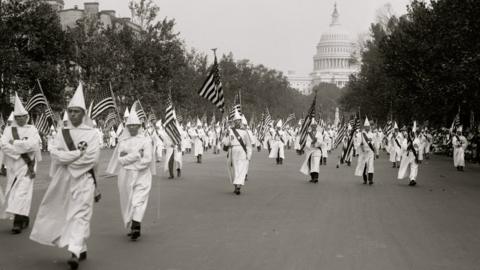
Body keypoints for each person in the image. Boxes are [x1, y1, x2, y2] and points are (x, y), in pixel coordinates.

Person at [30, 83, 101, 270]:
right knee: (67, 213)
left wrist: (67, 159)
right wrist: (76, 155)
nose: (73, 115)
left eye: (77, 111)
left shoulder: (93, 134)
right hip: (64, 180)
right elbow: (54, 153)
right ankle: (81, 245)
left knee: (81, 214)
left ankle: (75, 252)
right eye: (70, 111)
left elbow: (91, 159)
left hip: (84, 179)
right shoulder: (62, 132)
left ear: (83, 114)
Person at [106, 109, 155, 241]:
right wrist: (137, 155)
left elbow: (147, 160)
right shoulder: (123, 142)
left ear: (139, 126)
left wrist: (130, 159)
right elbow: (120, 159)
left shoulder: (146, 141)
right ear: (127, 127)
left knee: (138, 200)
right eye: (130, 125)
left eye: (135, 125)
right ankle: (132, 221)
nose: (132, 127)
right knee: (128, 201)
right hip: (125, 176)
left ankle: (136, 225)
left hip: (142, 175)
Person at [0, 93, 42, 234]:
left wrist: (16, 143)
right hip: (13, 167)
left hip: (27, 166)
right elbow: (4, 145)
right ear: (15, 118)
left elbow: (33, 144)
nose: (20, 119)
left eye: (22, 116)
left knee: (22, 193)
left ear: (26, 116)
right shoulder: (8, 130)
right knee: (13, 193)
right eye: (17, 117)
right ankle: (23, 216)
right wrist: (20, 148)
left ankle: (17, 222)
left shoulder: (32, 129)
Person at [222, 108, 252, 195]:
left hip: (242, 151)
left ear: (241, 121)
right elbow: (226, 142)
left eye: (239, 121)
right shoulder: (230, 131)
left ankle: (239, 186)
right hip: (233, 151)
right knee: (235, 168)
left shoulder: (244, 132)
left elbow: (248, 145)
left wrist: (249, 155)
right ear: (234, 122)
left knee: (241, 168)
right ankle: (236, 185)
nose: (237, 122)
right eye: (236, 121)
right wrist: (225, 134)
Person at [354, 117, 375, 185]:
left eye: (368, 126)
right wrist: (360, 143)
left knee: (371, 165)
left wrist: (376, 153)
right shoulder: (361, 135)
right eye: (366, 126)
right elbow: (357, 143)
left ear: (369, 127)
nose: (367, 128)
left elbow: (374, 144)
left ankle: (370, 179)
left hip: (370, 152)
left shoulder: (372, 134)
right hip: (363, 152)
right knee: (364, 166)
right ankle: (365, 179)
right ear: (364, 127)